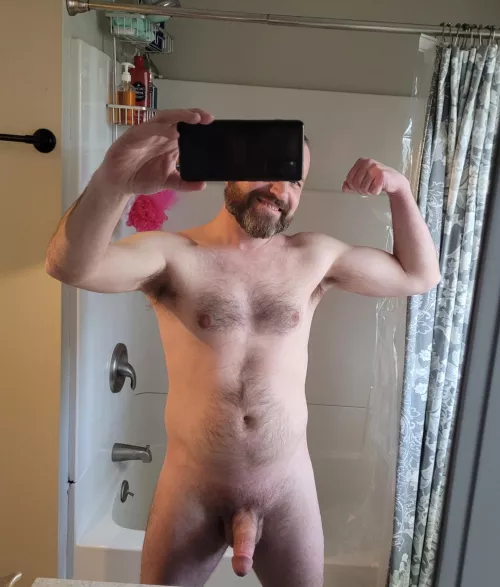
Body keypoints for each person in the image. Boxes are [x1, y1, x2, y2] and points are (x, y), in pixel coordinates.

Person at [46, 108, 440, 587]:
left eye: (294, 180)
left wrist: (400, 190)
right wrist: (116, 180)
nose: (280, 190)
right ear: (230, 168)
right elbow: (70, 266)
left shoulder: (313, 257)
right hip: (191, 487)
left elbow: (419, 275)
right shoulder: (174, 256)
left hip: (287, 488)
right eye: (267, 169)